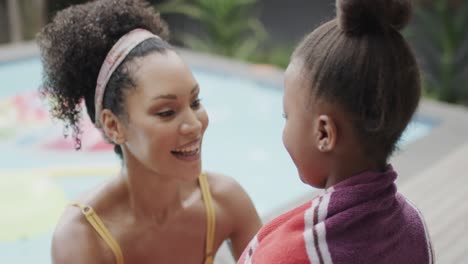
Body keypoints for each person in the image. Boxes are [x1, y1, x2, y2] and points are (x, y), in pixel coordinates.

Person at [37, 0, 261, 263]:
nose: (194, 124)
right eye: (167, 112)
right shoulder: (83, 238)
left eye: (195, 102)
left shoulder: (225, 201)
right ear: (113, 125)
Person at [238, 0, 434, 263]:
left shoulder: (294, 253)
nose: (284, 130)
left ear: (324, 133)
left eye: (287, 116)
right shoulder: (411, 225)